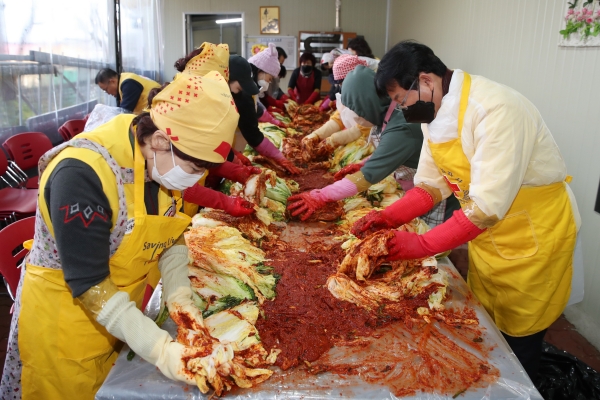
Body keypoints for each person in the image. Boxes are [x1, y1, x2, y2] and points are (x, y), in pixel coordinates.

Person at [0, 70, 239, 399]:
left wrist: (180, 296)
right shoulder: (83, 174)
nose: (196, 178)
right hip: (62, 329)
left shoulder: (159, 163)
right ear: (158, 140)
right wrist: (160, 350)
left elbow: (170, 234)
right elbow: (89, 283)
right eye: (195, 168)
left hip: (120, 321)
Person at [353, 40, 581, 383]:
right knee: (489, 326)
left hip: (534, 236)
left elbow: (488, 207)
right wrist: (388, 217)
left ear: (426, 81)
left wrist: (422, 245)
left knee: (520, 338)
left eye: (401, 100)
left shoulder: (496, 110)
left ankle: (522, 385)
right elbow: (431, 186)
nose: (401, 110)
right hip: (489, 237)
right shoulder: (434, 111)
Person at [289, 65, 459, 227]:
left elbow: (367, 178)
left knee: (432, 246)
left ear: (367, 104)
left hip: (437, 197)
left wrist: (321, 196)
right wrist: (363, 164)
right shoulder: (388, 115)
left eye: (356, 111)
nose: (355, 118)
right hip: (417, 189)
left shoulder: (401, 127)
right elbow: (392, 153)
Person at [173, 42, 300, 175]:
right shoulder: (210, 101)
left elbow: (214, 139)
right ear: (227, 78)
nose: (239, 92)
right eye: (239, 88)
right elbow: (205, 141)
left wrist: (232, 155)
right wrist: (234, 159)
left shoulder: (222, 94)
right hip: (189, 164)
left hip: (207, 158)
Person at [95, 68, 161, 114]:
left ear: (112, 81)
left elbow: (124, 112)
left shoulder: (128, 84)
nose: (108, 93)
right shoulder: (124, 81)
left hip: (160, 109)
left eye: (106, 89)